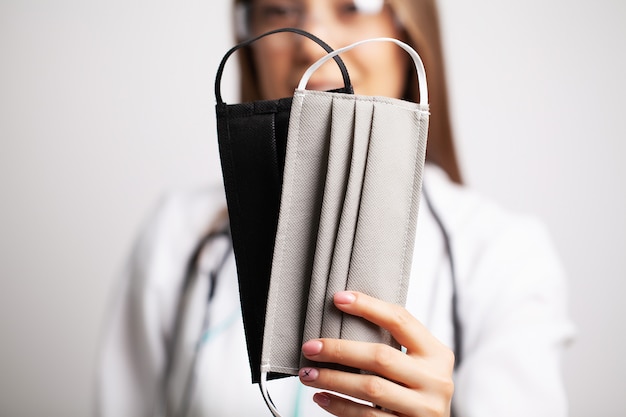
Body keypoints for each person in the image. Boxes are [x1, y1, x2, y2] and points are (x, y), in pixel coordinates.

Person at [96, 0, 575, 416]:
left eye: (353, 5)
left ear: (409, 31)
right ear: (251, 39)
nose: (314, 43)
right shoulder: (179, 234)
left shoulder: (501, 253)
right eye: (281, 10)